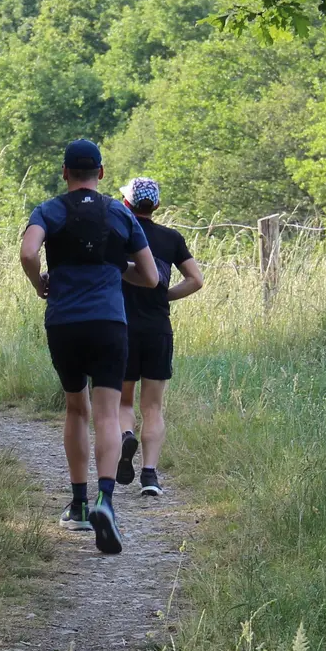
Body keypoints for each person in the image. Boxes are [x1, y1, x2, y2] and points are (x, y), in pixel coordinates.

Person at [19, 139, 158, 555]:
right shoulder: (120, 212)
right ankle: (106, 500)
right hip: (109, 324)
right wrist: (118, 267)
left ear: (65, 173)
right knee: (107, 414)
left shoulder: (49, 210)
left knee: (75, 409)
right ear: (101, 172)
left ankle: (78, 505)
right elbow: (151, 277)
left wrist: (39, 279)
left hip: (64, 322)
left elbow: (28, 252)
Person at [114, 177, 203, 496]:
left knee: (123, 401)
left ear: (126, 203)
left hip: (120, 328)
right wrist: (164, 296)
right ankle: (149, 476)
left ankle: (126, 435)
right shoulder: (171, 238)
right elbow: (195, 280)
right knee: (153, 407)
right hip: (157, 329)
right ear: (157, 206)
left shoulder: (117, 236)